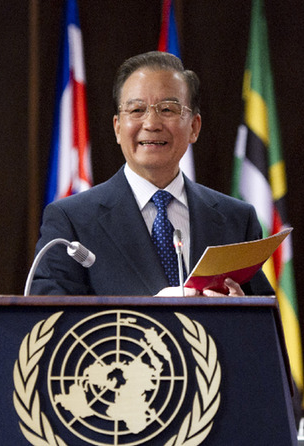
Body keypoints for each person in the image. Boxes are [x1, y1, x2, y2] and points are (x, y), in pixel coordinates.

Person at [30, 51, 273, 297]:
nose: (151, 123)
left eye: (167, 109)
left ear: (194, 127)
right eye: (137, 110)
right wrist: (150, 309)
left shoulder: (237, 221)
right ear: (117, 128)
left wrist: (243, 313)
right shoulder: (72, 221)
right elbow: (51, 324)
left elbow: (265, 325)